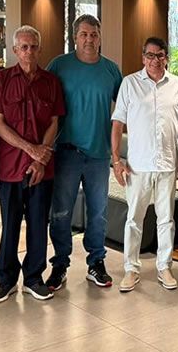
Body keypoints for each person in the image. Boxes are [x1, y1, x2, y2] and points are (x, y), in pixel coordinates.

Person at [46, 15, 123, 290]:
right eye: (84, 34)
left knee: (98, 213)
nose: (89, 39)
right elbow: (44, 104)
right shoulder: (59, 65)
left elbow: (125, 109)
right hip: (66, 152)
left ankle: (96, 263)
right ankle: (60, 264)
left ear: (100, 37)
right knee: (61, 212)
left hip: (99, 154)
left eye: (94, 34)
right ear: (75, 37)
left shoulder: (111, 70)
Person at [0, 26, 65, 303]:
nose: (28, 51)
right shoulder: (1, 80)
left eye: (33, 46)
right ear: (14, 50)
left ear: (39, 49)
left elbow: (54, 122)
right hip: (11, 167)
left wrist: (40, 160)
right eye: (23, 47)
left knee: (38, 225)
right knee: (9, 225)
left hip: (42, 169)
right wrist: (31, 150)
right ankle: (6, 280)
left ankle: (34, 278)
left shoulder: (51, 82)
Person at [111, 37, 178, 292]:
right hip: (138, 165)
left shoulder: (177, 85)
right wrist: (116, 160)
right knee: (134, 219)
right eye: (150, 55)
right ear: (143, 58)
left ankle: (164, 267)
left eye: (160, 55)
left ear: (167, 58)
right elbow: (117, 124)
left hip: (167, 164)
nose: (155, 60)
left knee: (166, 220)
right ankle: (131, 269)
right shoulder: (130, 83)